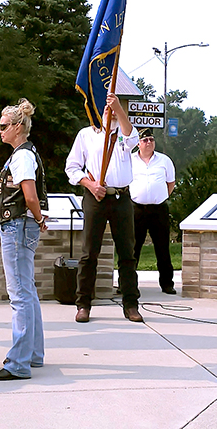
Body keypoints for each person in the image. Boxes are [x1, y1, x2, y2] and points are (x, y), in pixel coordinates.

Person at [66, 93, 142, 323]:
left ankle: (131, 304)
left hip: (121, 197)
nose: (109, 111)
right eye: (106, 108)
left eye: (112, 108)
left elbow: (132, 139)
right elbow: (72, 167)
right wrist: (90, 184)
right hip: (95, 198)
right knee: (89, 253)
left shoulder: (124, 133)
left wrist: (119, 108)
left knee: (127, 254)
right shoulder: (87, 135)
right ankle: (83, 304)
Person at [0, 98, 49, 381]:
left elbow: (30, 195)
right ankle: (33, 355)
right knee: (28, 291)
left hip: (17, 226)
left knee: (20, 294)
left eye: (3, 126)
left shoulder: (22, 156)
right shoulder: (25, 154)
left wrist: (38, 219)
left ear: (17, 127)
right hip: (21, 226)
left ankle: (18, 363)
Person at [130, 128, 178, 296]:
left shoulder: (164, 160)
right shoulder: (130, 160)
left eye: (151, 139)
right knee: (132, 248)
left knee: (162, 247)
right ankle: (127, 284)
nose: (149, 142)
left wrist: (159, 196)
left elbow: (170, 183)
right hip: (136, 209)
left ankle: (167, 284)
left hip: (159, 209)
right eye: (145, 140)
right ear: (138, 143)